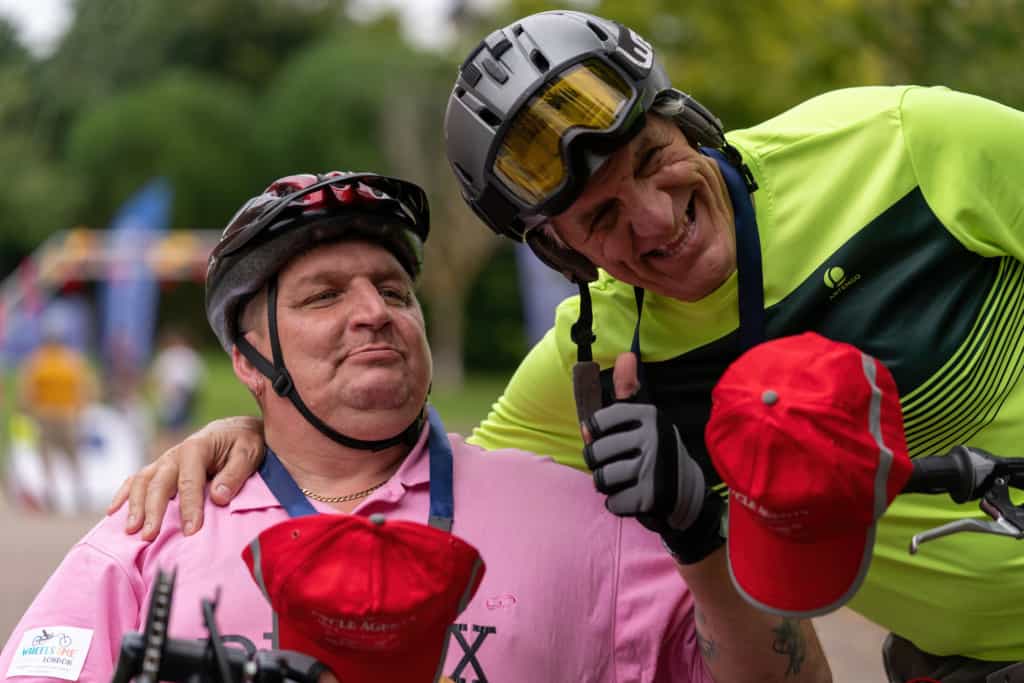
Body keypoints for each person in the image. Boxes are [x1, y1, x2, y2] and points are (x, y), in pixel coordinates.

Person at [112, 9, 1024, 680]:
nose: (656, 219)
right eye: (600, 219)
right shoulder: (592, 366)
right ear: (564, 254)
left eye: (650, 158)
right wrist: (257, 427)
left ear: (684, 113)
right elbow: (427, 471)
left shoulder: (908, 143)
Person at [1, 170, 832, 683]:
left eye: (394, 291)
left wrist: (704, 537)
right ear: (249, 359)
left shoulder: (587, 517)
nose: (374, 313)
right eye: (325, 295)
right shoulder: (157, 528)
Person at [17, 313, 97, 512]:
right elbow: (28, 389)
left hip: (57, 415)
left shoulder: (47, 360)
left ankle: (76, 493)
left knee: (66, 456)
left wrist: (27, 408)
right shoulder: (58, 360)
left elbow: (27, 390)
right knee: (57, 457)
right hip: (54, 415)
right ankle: (61, 494)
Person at [148, 328, 205, 457]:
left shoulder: (184, 356)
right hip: (173, 395)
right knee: (172, 427)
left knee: (177, 427)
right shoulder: (175, 356)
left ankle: (175, 450)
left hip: (181, 395)